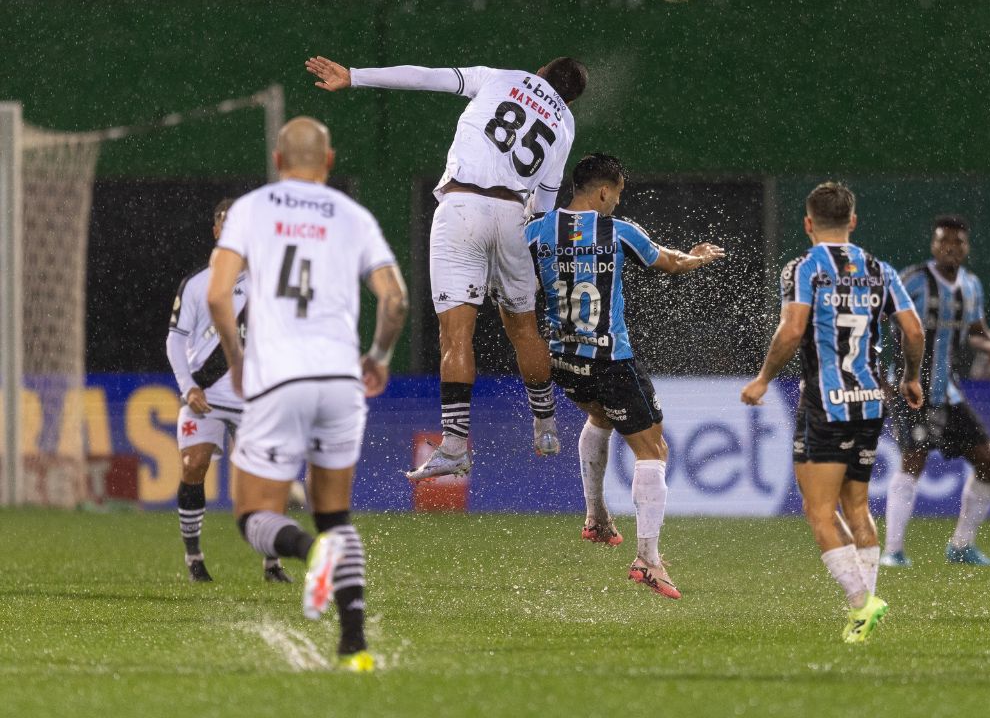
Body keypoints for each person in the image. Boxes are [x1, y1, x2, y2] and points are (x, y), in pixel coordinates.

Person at [305, 54, 588, 480]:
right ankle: (546, 425)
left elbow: (425, 76)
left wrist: (356, 77)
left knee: (456, 335)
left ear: (541, 71)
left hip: (461, 207)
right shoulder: (564, 125)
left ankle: (455, 445)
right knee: (525, 329)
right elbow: (545, 204)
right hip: (513, 215)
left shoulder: (500, 76)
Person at [207, 117, 407, 672]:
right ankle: (355, 646)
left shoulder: (250, 209)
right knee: (336, 514)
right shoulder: (354, 217)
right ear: (330, 160)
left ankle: (304, 551)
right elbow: (395, 302)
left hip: (278, 379)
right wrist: (379, 357)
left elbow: (220, 297)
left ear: (277, 161)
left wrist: (237, 361)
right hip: (341, 381)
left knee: (252, 513)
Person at [526, 153, 724, 599]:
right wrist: (694, 259)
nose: (616, 203)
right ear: (602, 191)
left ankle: (596, 517)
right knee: (653, 449)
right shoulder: (618, 231)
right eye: (616, 194)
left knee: (599, 418)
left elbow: (513, 285)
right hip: (611, 360)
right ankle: (648, 559)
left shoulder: (536, 231)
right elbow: (667, 263)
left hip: (561, 359)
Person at [741, 182, 924, 643]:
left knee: (819, 512)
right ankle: (862, 621)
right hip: (870, 400)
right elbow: (913, 329)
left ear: (808, 224)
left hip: (825, 403)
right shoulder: (880, 270)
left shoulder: (805, 268)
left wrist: (764, 378)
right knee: (856, 505)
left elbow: (792, 329)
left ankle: (863, 602)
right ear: (853, 222)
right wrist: (912, 376)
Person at [165, 199, 291, 584]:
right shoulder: (196, 284)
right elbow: (174, 341)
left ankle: (271, 564)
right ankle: (194, 558)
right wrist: (188, 388)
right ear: (216, 230)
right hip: (205, 394)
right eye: (226, 221)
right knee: (193, 466)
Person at [881, 215, 990, 568]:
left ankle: (961, 545)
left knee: (989, 461)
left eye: (958, 243)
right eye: (944, 242)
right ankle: (892, 551)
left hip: (947, 390)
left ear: (967, 248)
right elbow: (877, 318)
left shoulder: (971, 286)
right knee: (914, 457)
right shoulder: (913, 280)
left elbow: (975, 331)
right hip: (909, 386)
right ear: (934, 246)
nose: (951, 248)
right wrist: (880, 377)